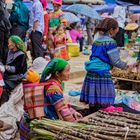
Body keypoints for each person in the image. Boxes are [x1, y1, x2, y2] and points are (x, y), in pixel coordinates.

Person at [80, 18, 129, 113]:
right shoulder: (110, 42)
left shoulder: (97, 41)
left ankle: (92, 114)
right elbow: (116, 61)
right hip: (102, 73)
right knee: (103, 103)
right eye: (116, 30)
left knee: (94, 101)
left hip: (91, 72)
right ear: (111, 30)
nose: (116, 32)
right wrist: (127, 66)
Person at [0, 35, 27, 105]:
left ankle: (3, 105)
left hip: (15, 80)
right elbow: (2, 62)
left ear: (14, 44)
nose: (8, 44)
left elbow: (16, 69)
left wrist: (4, 68)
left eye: (10, 43)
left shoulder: (21, 55)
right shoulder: (9, 52)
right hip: (6, 77)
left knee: (2, 87)